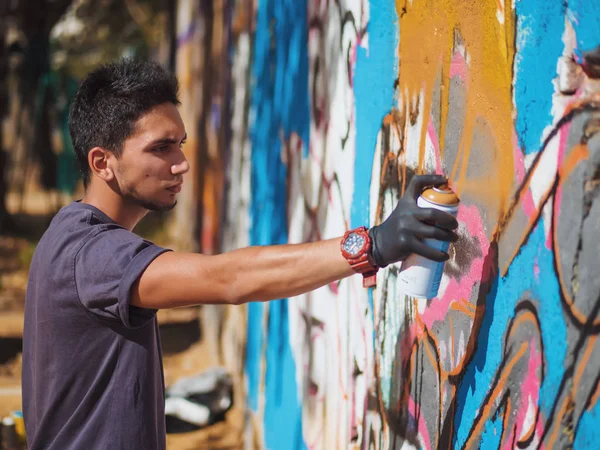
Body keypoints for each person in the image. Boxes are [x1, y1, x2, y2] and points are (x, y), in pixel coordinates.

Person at [21, 59, 458, 450]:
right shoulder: (93, 254)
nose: (182, 164)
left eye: (180, 143)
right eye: (161, 147)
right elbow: (227, 279)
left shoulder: (69, 233)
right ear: (103, 162)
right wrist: (373, 245)